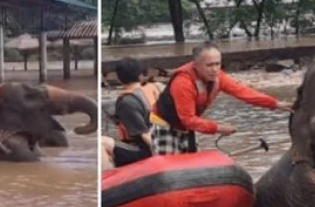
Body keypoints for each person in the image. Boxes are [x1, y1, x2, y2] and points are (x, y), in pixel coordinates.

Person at [150, 41, 293, 155]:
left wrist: (275, 104)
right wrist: (218, 128)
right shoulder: (183, 83)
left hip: (187, 127)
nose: (214, 69)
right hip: (165, 124)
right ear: (196, 65)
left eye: (217, 64)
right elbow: (188, 119)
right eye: (209, 65)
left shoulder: (219, 78)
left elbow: (243, 92)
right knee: (169, 166)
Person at [102, 58, 164, 167]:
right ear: (140, 75)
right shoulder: (156, 87)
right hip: (168, 139)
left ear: (119, 79)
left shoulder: (127, 102)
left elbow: (145, 135)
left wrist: (164, 158)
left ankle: (107, 180)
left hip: (147, 149)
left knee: (101, 142)